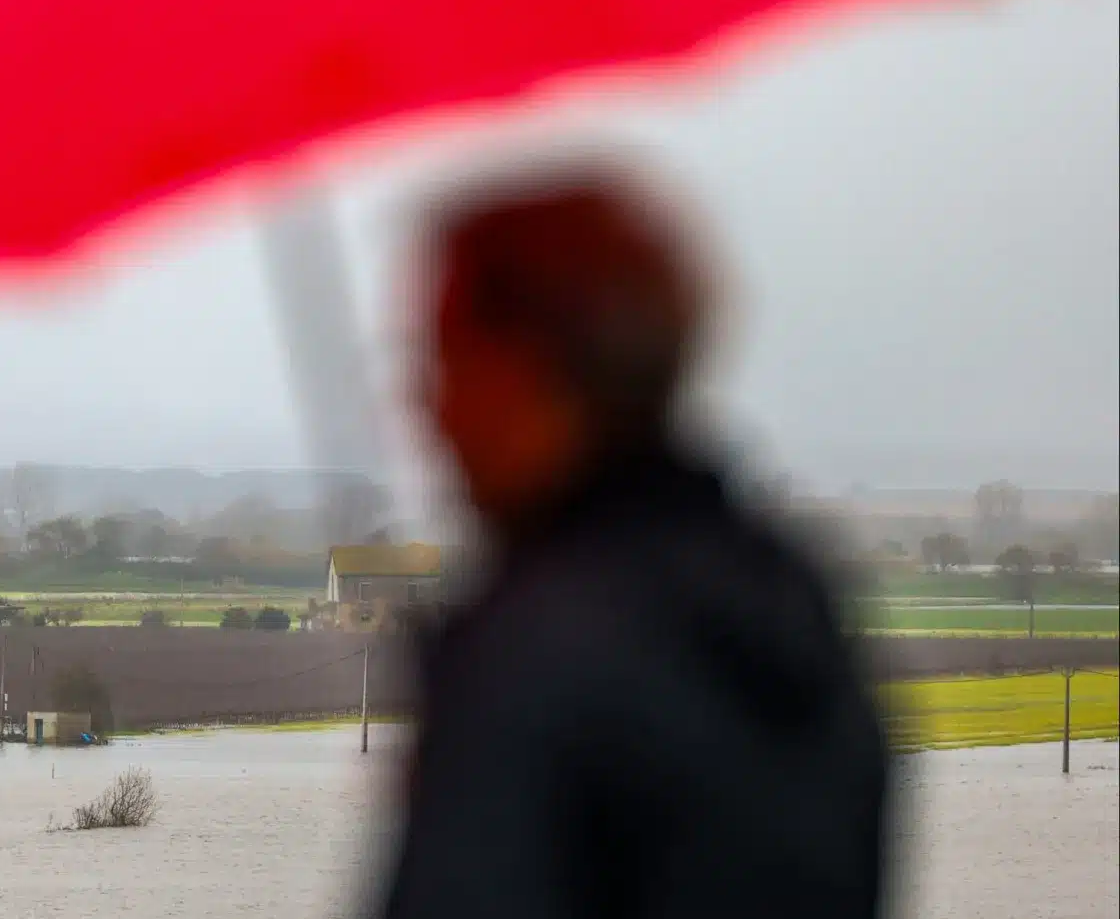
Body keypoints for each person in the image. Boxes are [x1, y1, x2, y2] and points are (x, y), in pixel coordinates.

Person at [379, 155, 891, 918]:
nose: (424, 408)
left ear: (528, 370)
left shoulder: (538, 646)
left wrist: (467, 769)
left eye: (443, 358)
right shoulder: (787, 599)